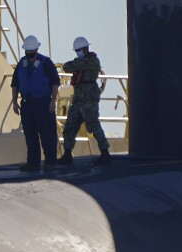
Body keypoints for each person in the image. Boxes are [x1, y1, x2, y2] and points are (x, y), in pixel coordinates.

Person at [11, 35, 60, 171]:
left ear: (37, 49)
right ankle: (33, 163)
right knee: (30, 134)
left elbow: (55, 83)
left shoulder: (46, 63)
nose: (29, 54)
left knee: (47, 134)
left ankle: (50, 162)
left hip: (43, 103)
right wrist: (15, 102)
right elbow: (14, 84)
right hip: (27, 104)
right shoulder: (22, 64)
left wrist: (53, 101)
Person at [59, 36, 111, 164]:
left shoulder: (93, 61)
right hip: (78, 98)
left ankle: (105, 151)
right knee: (70, 125)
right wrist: (75, 64)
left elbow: (74, 65)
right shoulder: (82, 62)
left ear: (86, 48)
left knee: (93, 124)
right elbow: (67, 66)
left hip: (89, 98)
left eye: (79, 50)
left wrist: (75, 64)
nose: (78, 52)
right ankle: (67, 153)